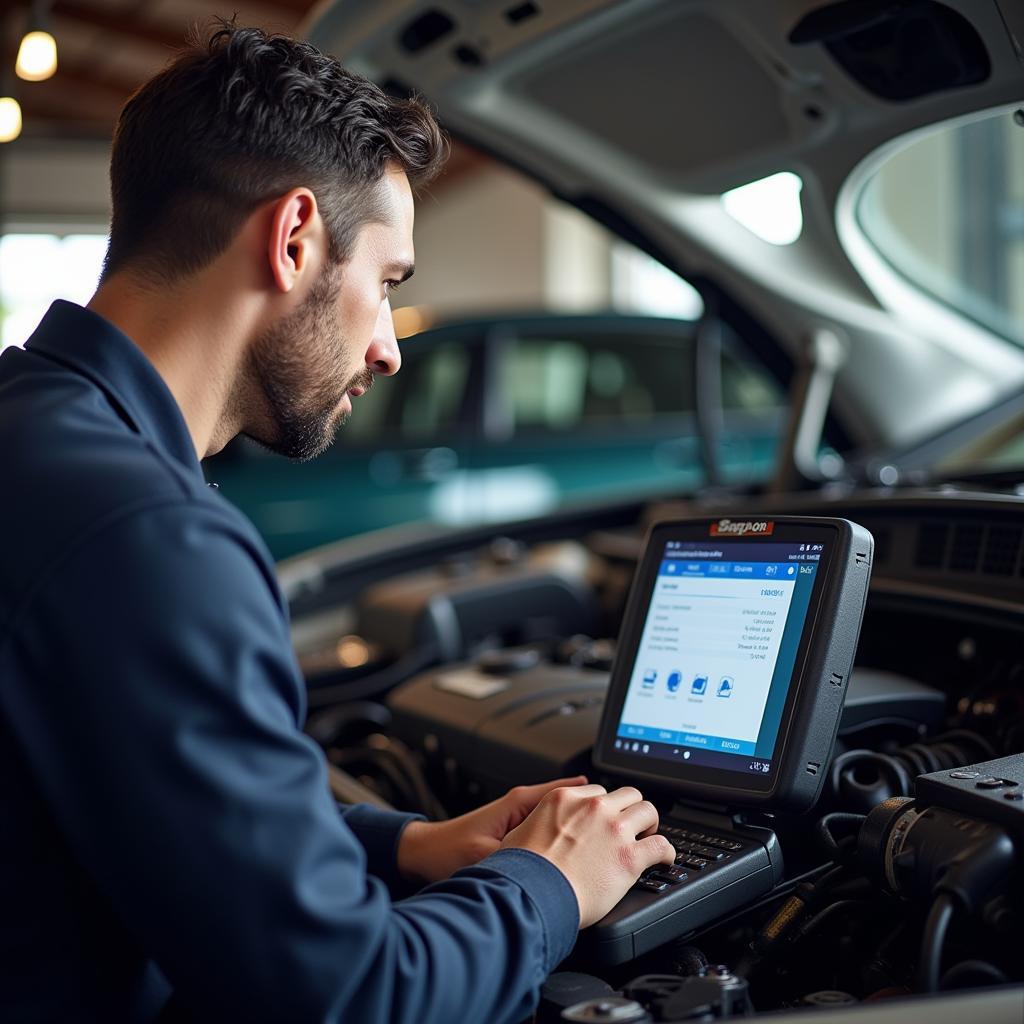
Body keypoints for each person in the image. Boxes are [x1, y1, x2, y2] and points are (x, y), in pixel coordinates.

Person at [0, 22, 674, 1023]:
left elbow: (138, 807)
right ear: (294, 238)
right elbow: (349, 995)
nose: (389, 349)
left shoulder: (32, 426)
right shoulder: (149, 535)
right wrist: (552, 884)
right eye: (388, 285)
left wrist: (407, 844)